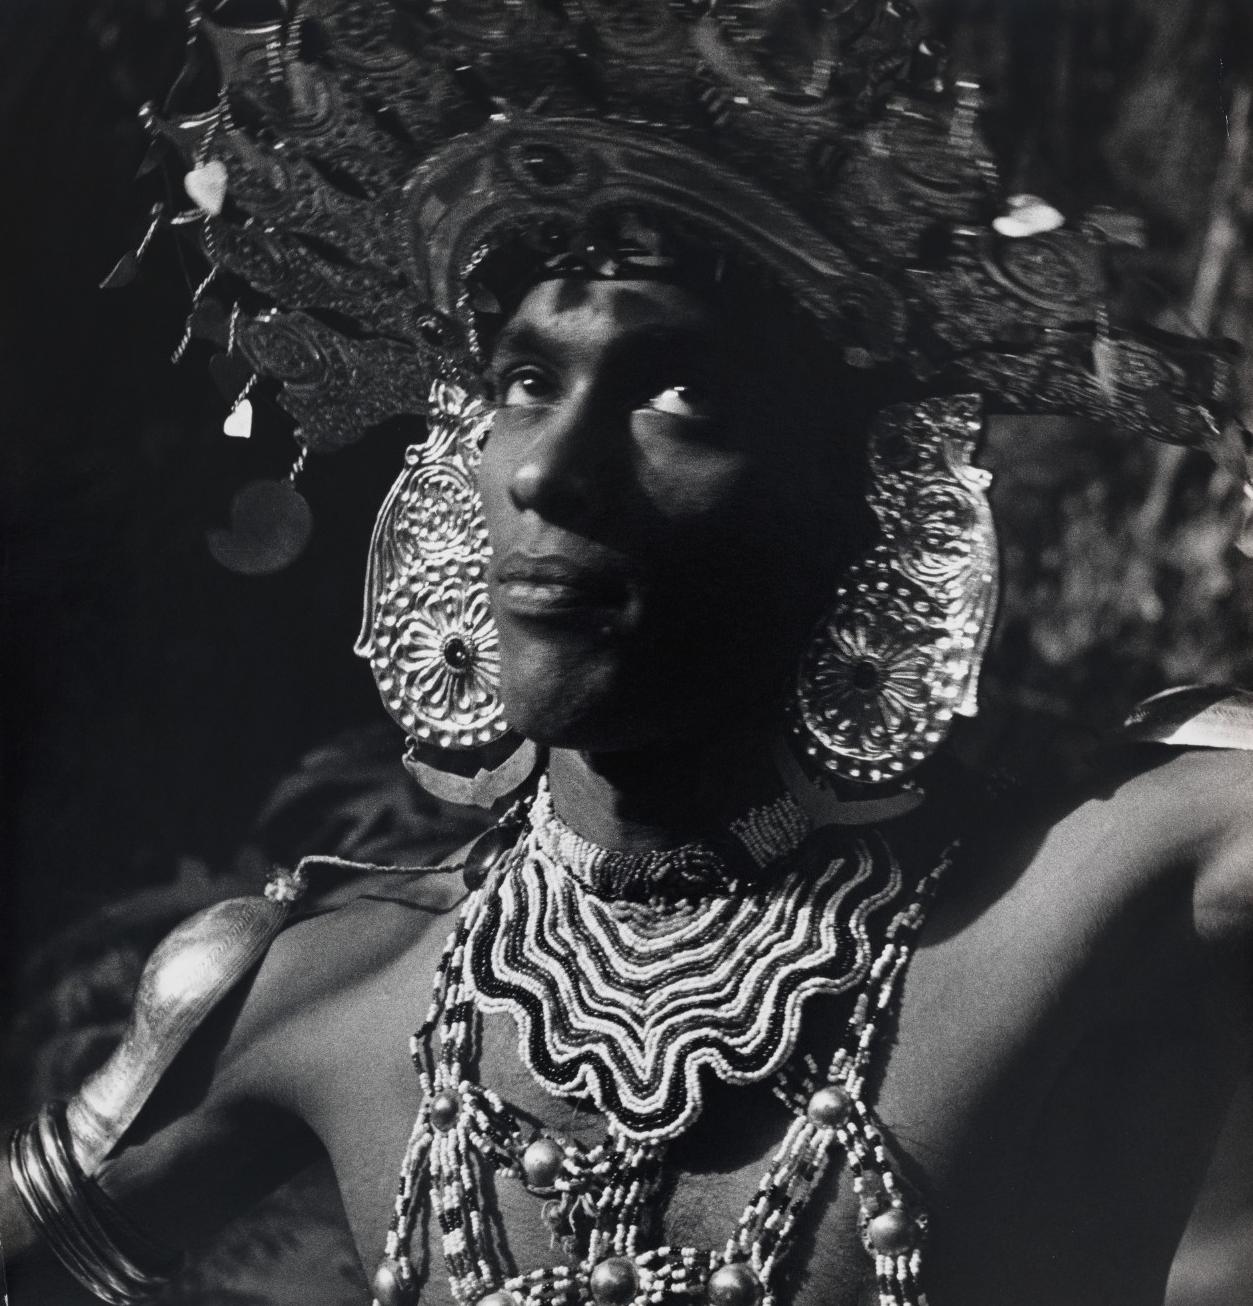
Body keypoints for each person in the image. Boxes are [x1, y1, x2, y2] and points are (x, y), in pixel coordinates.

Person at [3, 3, 1251, 1305]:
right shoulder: (311, 986)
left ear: (863, 499)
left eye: (683, 394)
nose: (552, 469)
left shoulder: (1113, 886)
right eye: (526, 382)